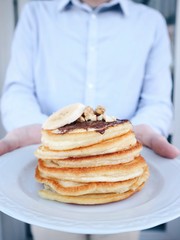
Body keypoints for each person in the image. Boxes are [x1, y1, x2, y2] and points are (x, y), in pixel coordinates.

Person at [0, 0, 180, 239]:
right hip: (52, 190)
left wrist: (139, 133)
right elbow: (18, 88)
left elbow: (156, 100)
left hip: (124, 198)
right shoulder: (36, 12)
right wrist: (46, 134)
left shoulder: (150, 22)